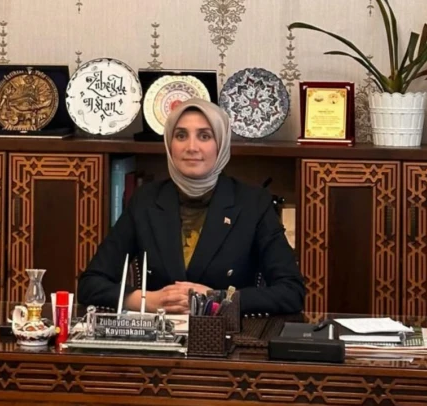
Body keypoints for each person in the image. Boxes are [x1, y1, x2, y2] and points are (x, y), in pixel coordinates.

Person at [77, 98, 304, 315]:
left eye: (204, 136)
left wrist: (217, 300)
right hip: (160, 334)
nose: (191, 147)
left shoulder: (252, 203)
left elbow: (292, 292)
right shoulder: (146, 200)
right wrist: (148, 300)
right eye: (181, 135)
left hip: (225, 334)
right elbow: (90, 285)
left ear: (221, 144)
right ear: (169, 144)